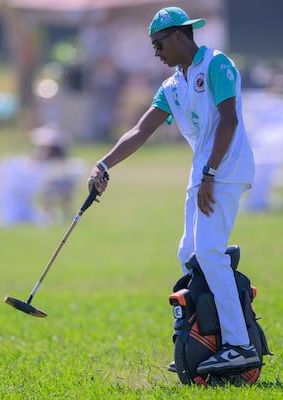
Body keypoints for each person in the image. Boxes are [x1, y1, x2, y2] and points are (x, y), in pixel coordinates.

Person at [87, 7, 261, 375]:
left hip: (225, 169)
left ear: (179, 36)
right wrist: (104, 165)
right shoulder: (171, 85)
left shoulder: (216, 64)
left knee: (210, 253)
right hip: (203, 173)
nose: (155, 52)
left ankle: (240, 345)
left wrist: (211, 172)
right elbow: (140, 131)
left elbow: (229, 120)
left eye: (158, 43)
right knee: (189, 253)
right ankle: (204, 337)